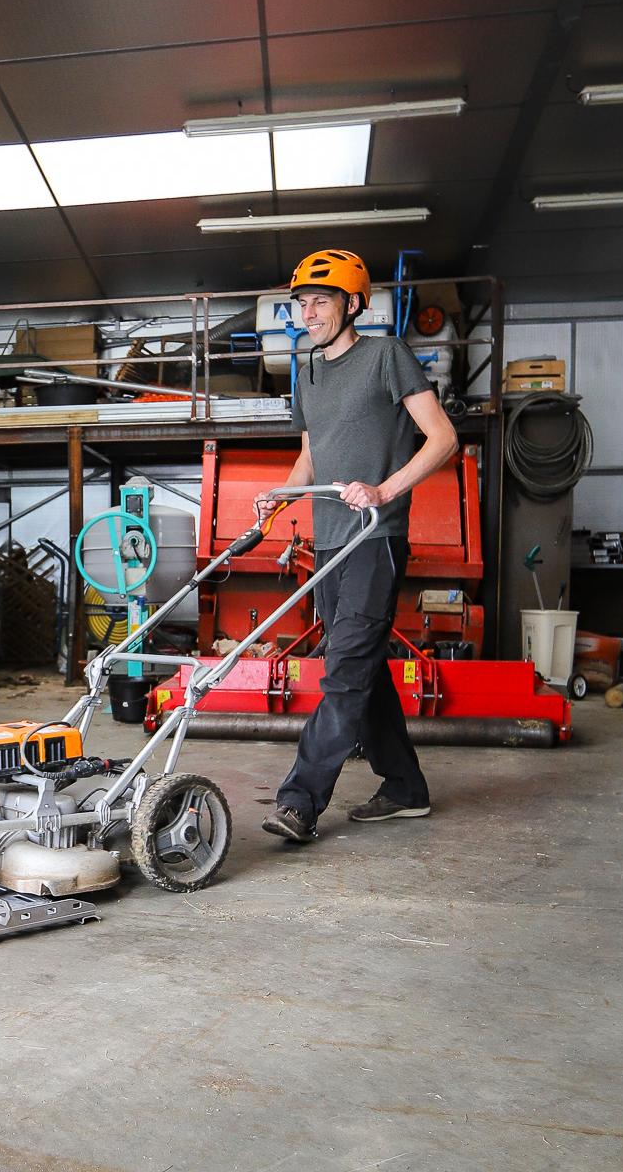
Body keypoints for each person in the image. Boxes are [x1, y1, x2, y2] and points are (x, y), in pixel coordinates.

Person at [258, 249, 458, 843]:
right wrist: (284, 496)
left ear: (352, 305)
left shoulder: (387, 356)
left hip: (376, 541)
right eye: (302, 301)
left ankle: (299, 801)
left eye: (322, 301)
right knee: (362, 670)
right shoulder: (309, 369)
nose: (309, 312)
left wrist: (385, 491)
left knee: (343, 673)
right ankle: (405, 788)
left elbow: (442, 438)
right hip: (329, 549)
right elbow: (311, 455)